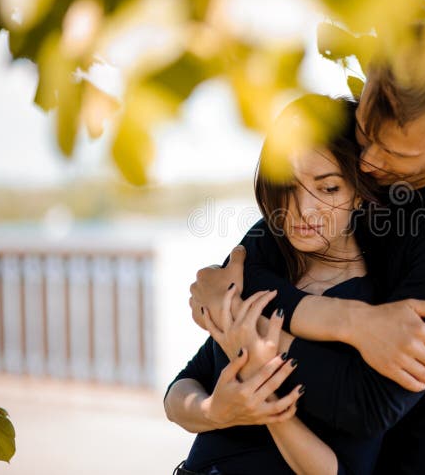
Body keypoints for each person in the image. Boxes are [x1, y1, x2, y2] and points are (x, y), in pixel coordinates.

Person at [185, 62, 425, 474]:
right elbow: (248, 265)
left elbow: (370, 404)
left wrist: (254, 335)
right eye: (366, 135)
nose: (367, 162)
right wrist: (348, 320)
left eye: (395, 151)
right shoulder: (368, 182)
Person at [165, 97, 385, 474]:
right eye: (287, 185)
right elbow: (179, 391)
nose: (302, 209)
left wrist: (265, 402)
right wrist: (215, 411)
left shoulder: (373, 305)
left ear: (359, 192)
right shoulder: (262, 270)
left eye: (328, 188)